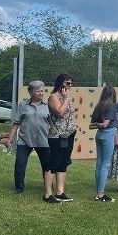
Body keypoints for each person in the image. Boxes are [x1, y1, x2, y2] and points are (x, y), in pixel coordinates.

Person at [8, 80, 53, 199]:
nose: (41, 93)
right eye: (38, 90)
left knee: (47, 166)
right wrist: (10, 139)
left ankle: (48, 187)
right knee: (20, 164)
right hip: (24, 140)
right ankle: (19, 187)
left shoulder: (48, 105)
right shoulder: (23, 105)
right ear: (31, 92)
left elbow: (53, 124)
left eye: (42, 90)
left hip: (44, 141)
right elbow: (16, 123)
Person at [46, 74, 77, 202]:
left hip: (68, 135)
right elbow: (59, 112)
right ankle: (48, 193)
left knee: (64, 163)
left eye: (71, 83)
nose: (70, 86)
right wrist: (65, 100)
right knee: (53, 162)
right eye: (67, 83)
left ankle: (60, 191)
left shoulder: (67, 98)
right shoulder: (54, 97)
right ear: (60, 84)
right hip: (56, 135)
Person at [89, 85, 118, 203]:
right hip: (108, 135)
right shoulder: (112, 106)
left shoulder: (98, 106)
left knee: (99, 164)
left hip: (99, 135)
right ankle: (100, 194)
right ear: (113, 94)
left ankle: (99, 192)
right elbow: (106, 124)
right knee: (105, 165)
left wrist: (96, 124)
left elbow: (92, 125)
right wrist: (101, 124)